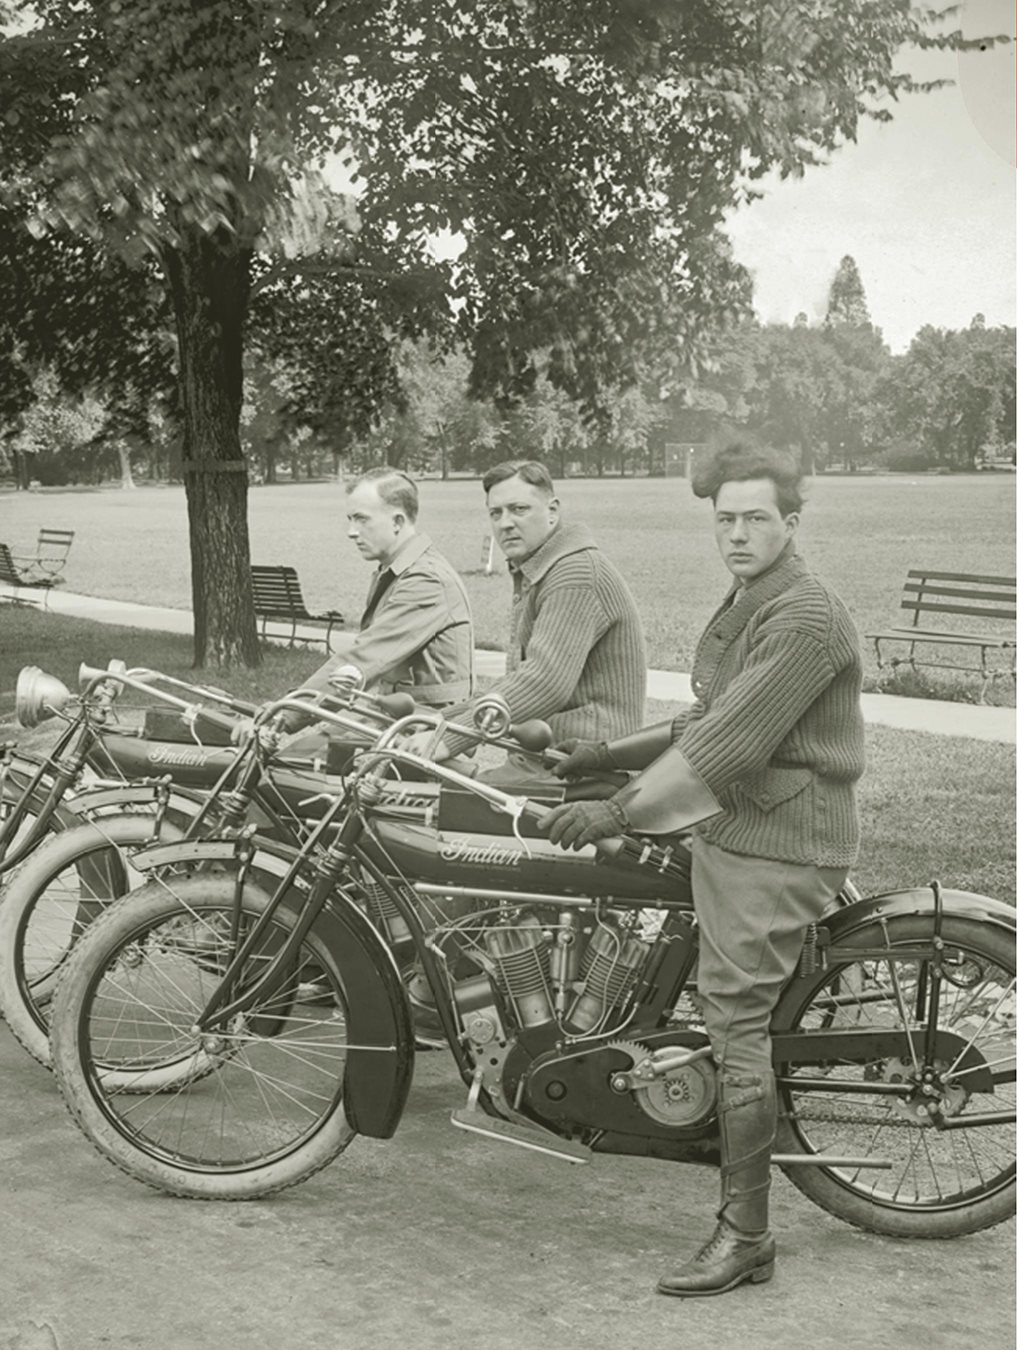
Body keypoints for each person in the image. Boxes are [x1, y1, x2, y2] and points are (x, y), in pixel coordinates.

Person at [542, 440, 865, 1298]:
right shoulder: (753, 597)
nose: (736, 533)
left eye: (755, 517)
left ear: (789, 523)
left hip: (780, 839)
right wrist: (596, 757)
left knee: (735, 1025)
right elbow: (702, 718)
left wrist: (614, 809)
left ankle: (746, 1236)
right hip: (740, 823)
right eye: (724, 519)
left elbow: (728, 743)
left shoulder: (802, 614)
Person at [434, 459, 646, 771]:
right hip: (552, 755)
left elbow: (544, 682)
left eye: (519, 509)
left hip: (585, 766)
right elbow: (521, 681)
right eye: (496, 513)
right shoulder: (543, 568)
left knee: (443, 807)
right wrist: (441, 720)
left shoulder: (575, 573)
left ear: (552, 512)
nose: (505, 523)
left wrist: (447, 738)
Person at [283, 467, 473, 753]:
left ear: (397, 521)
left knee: (298, 758)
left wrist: (284, 715)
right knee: (303, 753)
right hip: (398, 717)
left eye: (361, 519)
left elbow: (362, 660)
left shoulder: (426, 580)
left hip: (426, 730)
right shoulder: (400, 570)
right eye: (350, 519)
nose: (351, 532)